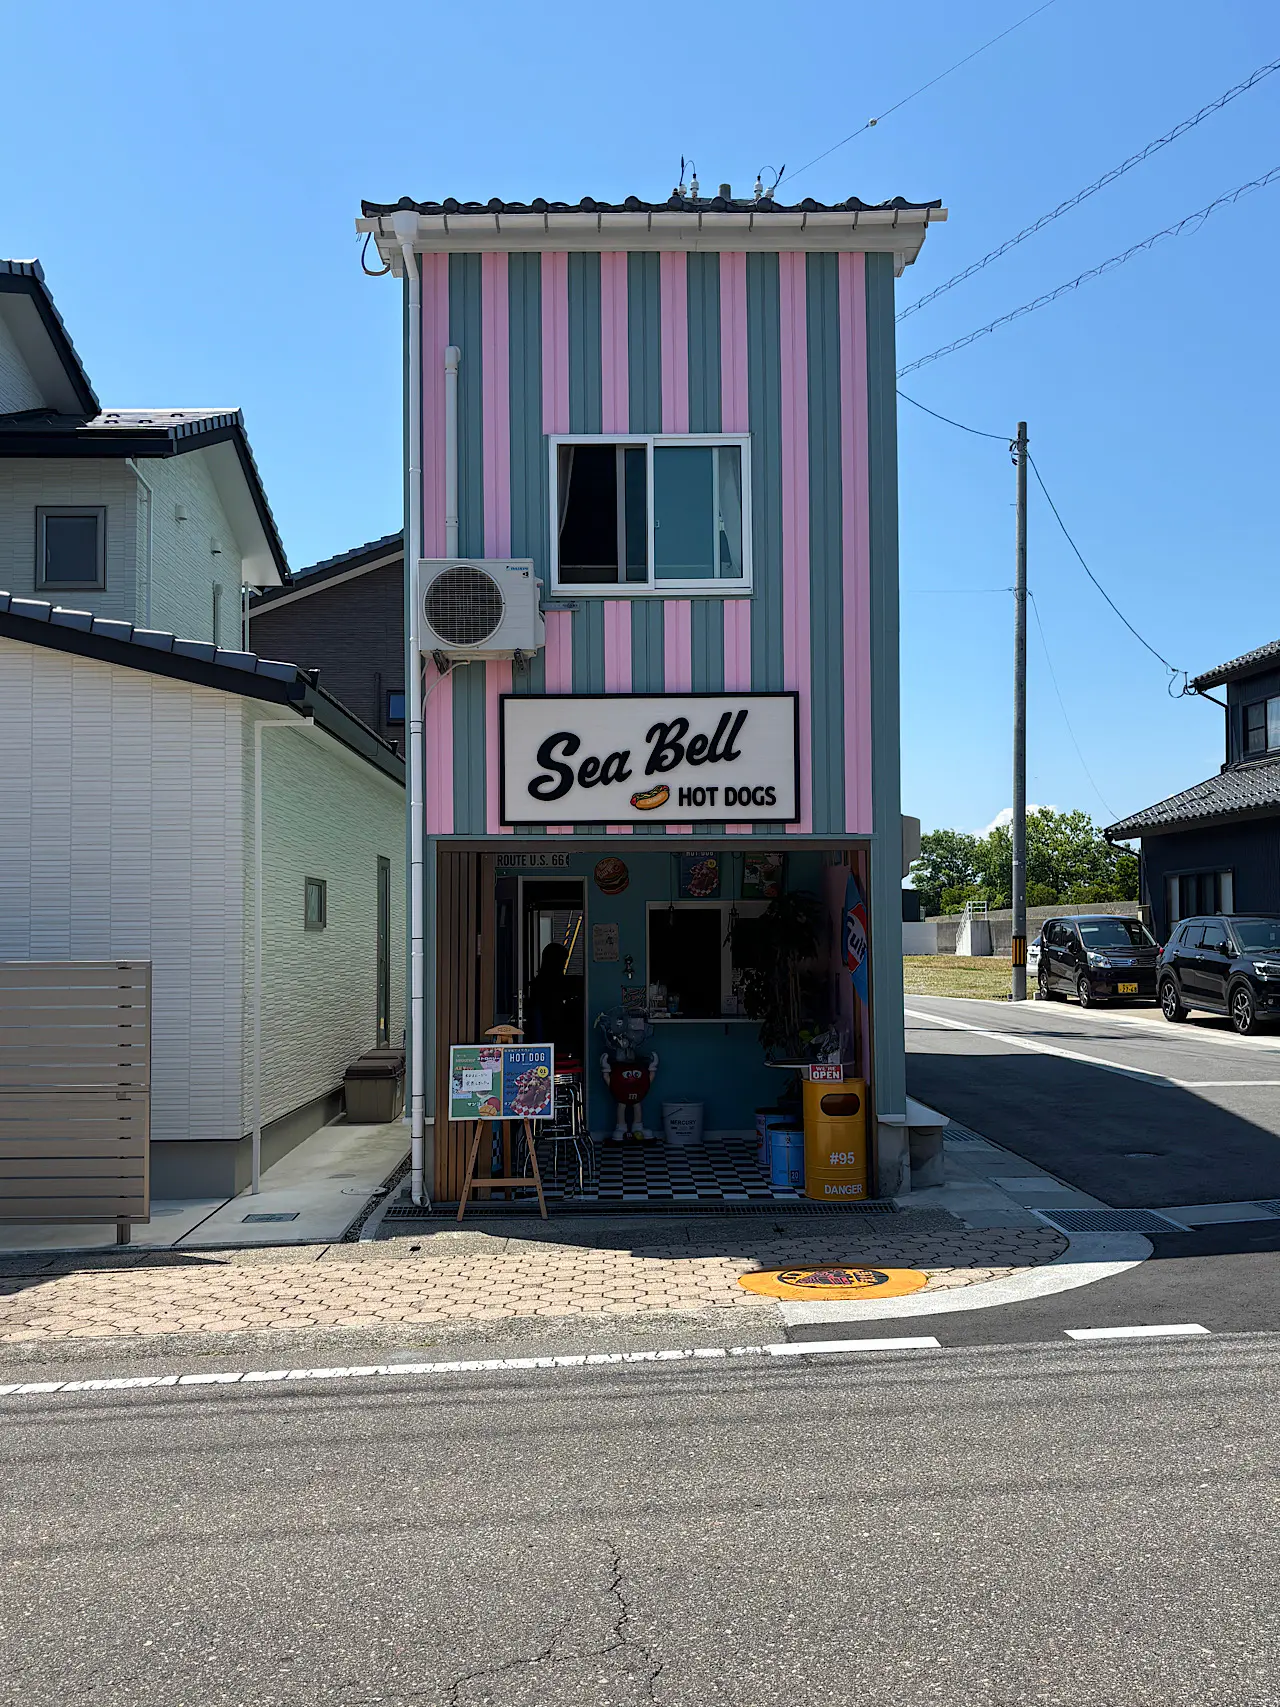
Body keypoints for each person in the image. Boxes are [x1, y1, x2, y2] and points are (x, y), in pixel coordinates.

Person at [526, 942, 576, 1056]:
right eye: (563, 960)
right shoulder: (552, 982)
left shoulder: (539, 981)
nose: (564, 964)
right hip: (553, 1034)